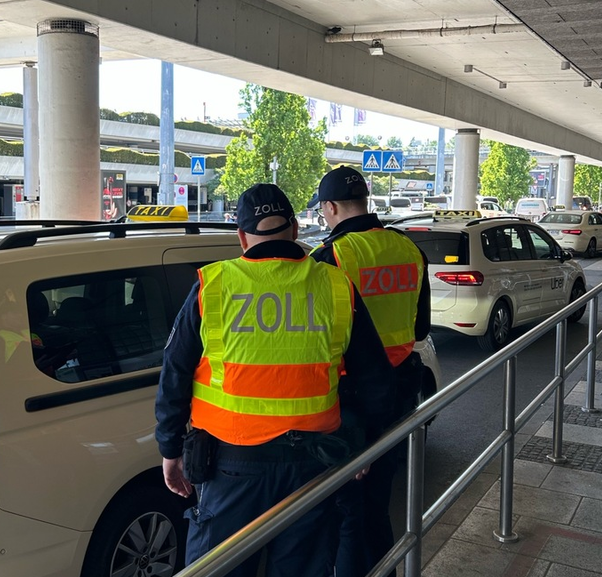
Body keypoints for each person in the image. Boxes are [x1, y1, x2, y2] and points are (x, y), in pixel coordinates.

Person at [155, 183, 396, 577]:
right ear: (296, 229)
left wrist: (169, 447)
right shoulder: (336, 286)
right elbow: (375, 379)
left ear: (241, 237)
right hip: (313, 465)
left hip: (232, 466)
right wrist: (364, 443)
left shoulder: (213, 286)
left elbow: (175, 374)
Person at [310, 166, 431, 577]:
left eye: (323, 211)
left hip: (351, 401)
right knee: (377, 500)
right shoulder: (408, 249)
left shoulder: (332, 258)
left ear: (330, 208)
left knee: (347, 511)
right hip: (398, 393)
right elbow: (420, 329)